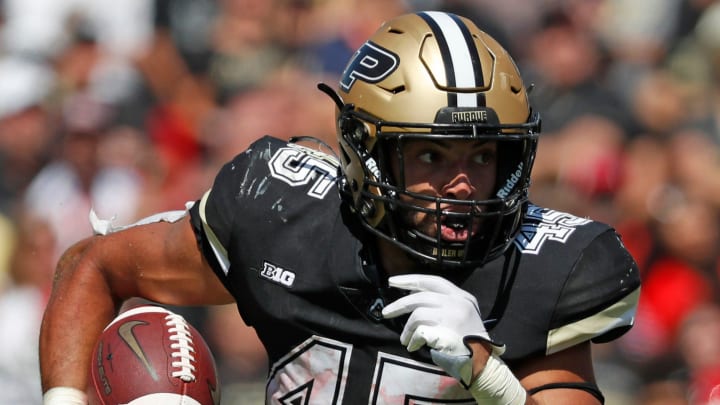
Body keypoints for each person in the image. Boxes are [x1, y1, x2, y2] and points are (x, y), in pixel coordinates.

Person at [39, 11, 641, 404]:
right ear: (365, 150)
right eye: (432, 157)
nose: (462, 184)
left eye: (483, 157)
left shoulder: (544, 265)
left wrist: (487, 374)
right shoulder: (281, 212)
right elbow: (92, 266)